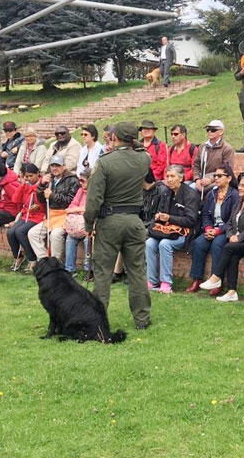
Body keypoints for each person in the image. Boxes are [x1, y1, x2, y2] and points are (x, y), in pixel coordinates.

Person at [84, 121, 153, 330]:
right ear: (133, 139)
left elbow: (94, 198)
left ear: (114, 138)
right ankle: (142, 320)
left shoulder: (105, 162)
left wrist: (89, 223)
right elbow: (142, 149)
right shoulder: (143, 158)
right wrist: (134, 143)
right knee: (137, 272)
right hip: (134, 221)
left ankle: (98, 320)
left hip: (110, 221)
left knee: (103, 272)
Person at [199, 173, 244, 301]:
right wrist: (231, 234)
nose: (240, 188)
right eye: (239, 185)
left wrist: (239, 238)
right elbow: (230, 222)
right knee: (233, 256)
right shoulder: (239, 201)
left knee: (228, 248)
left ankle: (216, 277)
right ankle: (232, 292)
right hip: (240, 238)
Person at [145, 165, 200, 293]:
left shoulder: (190, 194)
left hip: (185, 233)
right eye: (167, 176)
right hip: (167, 232)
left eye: (172, 176)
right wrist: (159, 217)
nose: (169, 179)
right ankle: (152, 281)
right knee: (149, 243)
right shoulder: (166, 192)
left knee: (164, 244)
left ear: (181, 178)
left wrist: (169, 218)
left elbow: (191, 220)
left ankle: (166, 283)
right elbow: (161, 213)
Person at [187, 165, 240, 294]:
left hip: (226, 230)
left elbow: (233, 220)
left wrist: (217, 231)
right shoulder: (211, 193)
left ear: (229, 178)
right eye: (215, 175)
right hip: (211, 229)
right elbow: (205, 214)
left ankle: (217, 281)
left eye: (220, 176)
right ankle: (197, 279)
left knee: (217, 245)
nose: (216, 178)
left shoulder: (235, 195)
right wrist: (209, 228)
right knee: (198, 243)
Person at [29, 154, 80, 261]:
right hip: (51, 215)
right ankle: (44, 261)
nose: (54, 168)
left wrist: (52, 195)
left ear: (64, 166)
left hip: (65, 215)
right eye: (52, 165)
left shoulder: (72, 180)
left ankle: (56, 263)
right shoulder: (49, 179)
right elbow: (42, 200)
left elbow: (69, 201)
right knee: (32, 233)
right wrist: (41, 185)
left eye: (58, 165)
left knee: (55, 235)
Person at [8, 163, 44, 272]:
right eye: (26, 176)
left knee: (20, 232)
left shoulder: (43, 183)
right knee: (11, 232)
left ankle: (32, 259)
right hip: (27, 215)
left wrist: (38, 207)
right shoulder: (26, 185)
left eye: (31, 176)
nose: (29, 179)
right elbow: (15, 199)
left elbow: (43, 203)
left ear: (37, 173)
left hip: (39, 216)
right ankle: (18, 257)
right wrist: (22, 185)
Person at [62, 169, 91, 277]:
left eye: (83, 181)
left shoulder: (96, 192)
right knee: (70, 239)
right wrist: (80, 210)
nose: (80, 183)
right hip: (77, 225)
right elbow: (71, 206)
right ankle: (69, 269)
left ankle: (89, 269)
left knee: (89, 240)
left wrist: (77, 210)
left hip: (91, 224)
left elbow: (91, 208)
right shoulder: (80, 191)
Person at [193, 120, 235, 194]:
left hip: (218, 181)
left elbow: (228, 169)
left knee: (213, 192)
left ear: (221, 132)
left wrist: (211, 179)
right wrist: (197, 179)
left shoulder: (227, 148)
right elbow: (196, 165)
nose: (209, 132)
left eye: (213, 130)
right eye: (208, 130)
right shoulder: (202, 147)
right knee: (190, 190)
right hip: (202, 180)